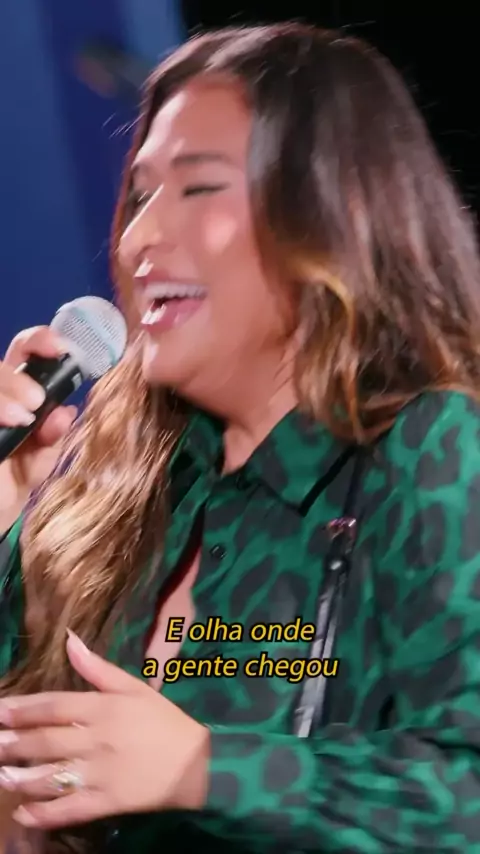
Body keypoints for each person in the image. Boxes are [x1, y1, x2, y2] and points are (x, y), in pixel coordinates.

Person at [0, 21, 480, 854]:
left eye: (198, 188)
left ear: (333, 217)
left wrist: (203, 768)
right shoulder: (123, 485)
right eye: (141, 195)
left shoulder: (430, 450)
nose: (141, 237)